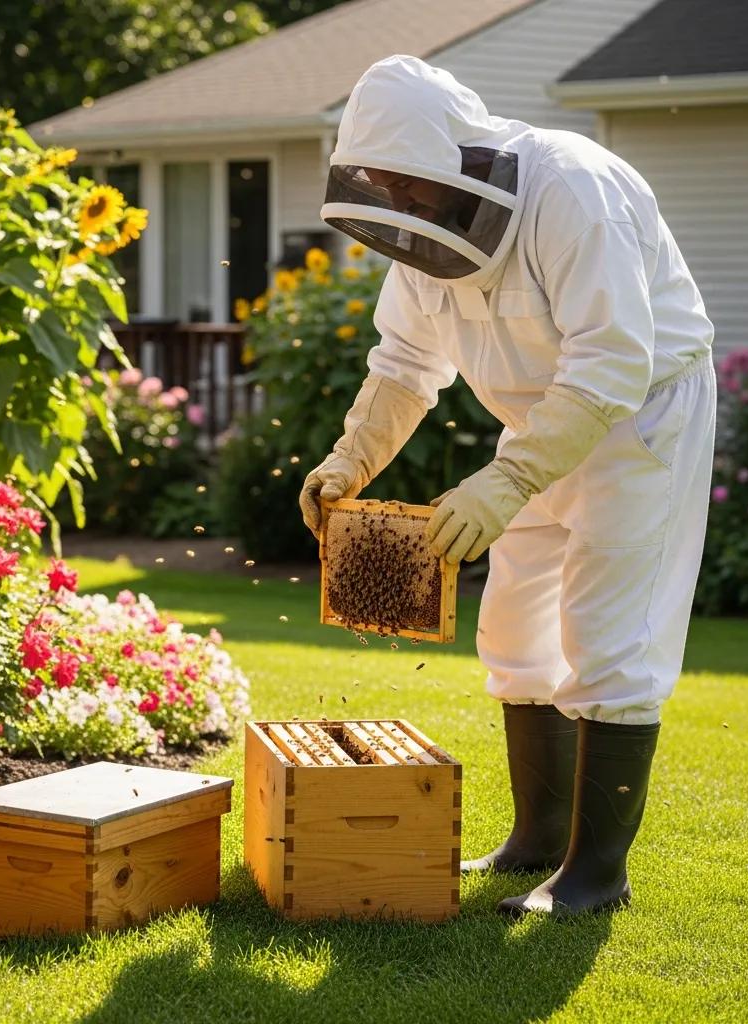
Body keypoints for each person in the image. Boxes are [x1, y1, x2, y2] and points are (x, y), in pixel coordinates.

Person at [299, 55, 716, 917]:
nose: (399, 206)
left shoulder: (575, 191)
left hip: (642, 414)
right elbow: (406, 365)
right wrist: (351, 461)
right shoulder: (422, 232)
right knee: (518, 633)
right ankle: (536, 842)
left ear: (459, 160)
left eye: (409, 187)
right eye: (384, 187)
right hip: (533, 428)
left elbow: (611, 363)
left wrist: (506, 480)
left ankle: (598, 876)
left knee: (611, 639)